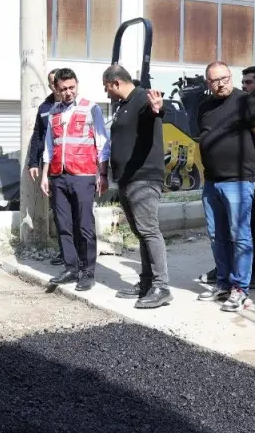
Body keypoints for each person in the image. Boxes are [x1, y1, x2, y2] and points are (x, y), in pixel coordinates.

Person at [196, 61, 255, 312]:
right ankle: (223, 284)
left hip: (238, 182)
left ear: (231, 77)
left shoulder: (246, 102)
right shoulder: (205, 106)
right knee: (217, 236)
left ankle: (240, 289)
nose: (221, 84)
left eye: (225, 78)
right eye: (215, 81)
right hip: (212, 182)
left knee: (240, 237)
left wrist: (251, 169)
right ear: (208, 83)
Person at [102, 64, 171, 308]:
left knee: (149, 231)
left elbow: (156, 112)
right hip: (126, 179)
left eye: (107, 88)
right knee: (141, 233)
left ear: (116, 83)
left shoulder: (144, 98)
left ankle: (161, 287)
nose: (106, 93)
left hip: (144, 179)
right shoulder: (123, 105)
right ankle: (146, 282)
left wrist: (158, 109)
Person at [40, 68, 109, 292]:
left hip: (83, 175)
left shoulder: (91, 108)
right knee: (63, 225)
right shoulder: (53, 113)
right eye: (63, 89)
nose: (68, 92)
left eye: (71, 87)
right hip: (59, 176)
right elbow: (49, 147)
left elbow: (102, 143)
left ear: (77, 84)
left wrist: (103, 174)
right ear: (56, 89)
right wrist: (44, 175)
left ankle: (87, 272)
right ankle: (71, 268)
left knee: (85, 226)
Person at [27, 69, 64, 266]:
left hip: (74, 167)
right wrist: (33, 162)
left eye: (58, 81)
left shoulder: (76, 105)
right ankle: (64, 251)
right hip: (50, 167)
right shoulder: (44, 107)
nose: (55, 85)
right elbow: (37, 136)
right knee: (58, 211)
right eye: (52, 82)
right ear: (50, 85)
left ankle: (79, 252)